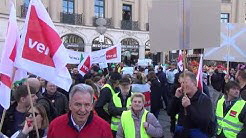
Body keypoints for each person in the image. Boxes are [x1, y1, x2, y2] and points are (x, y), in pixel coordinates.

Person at [48, 84, 113, 137]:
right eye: (78, 104)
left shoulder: (104, 128)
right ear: (70, 105)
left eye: (87, 105)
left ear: (91, 106)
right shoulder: (55, 126)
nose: (82, 110)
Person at [168, 71, 213, 138]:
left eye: (185, 82)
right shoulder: (182, 97)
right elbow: (170, 112)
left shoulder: (204, 99)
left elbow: (204, 122)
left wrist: (189, 107)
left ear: (194, 83)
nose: (183, 85)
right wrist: (176, 97)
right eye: (181, 83)